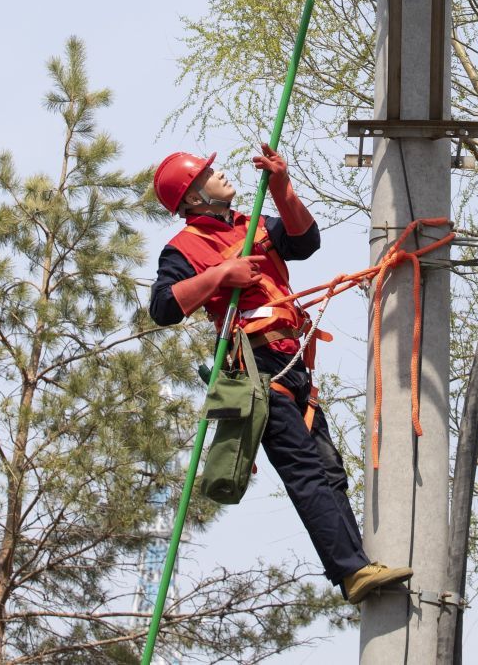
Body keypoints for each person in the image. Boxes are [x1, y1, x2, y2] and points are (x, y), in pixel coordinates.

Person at [149, 143, 413, 605]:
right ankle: (352, 572)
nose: (222, 174)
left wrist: (281, 186)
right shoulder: (184, 247)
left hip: (292, 365)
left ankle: (356, 565)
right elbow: (164, 306)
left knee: (329, 469)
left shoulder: (250, 224)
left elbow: (304, 242)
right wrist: (219, 277)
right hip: (254, 367)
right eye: (210, 173)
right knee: (306, 469)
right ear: (192, 197)